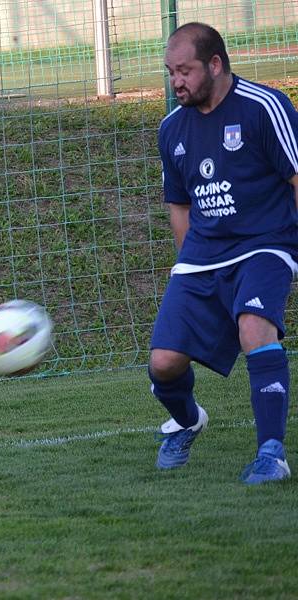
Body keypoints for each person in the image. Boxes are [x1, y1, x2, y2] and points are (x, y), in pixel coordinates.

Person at [150, 22, 298, 484]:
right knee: (163, 363)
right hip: (202, 254)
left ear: (215, 64)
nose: (177, 82)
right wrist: (187, 269)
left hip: (265, 244)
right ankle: (189, 419)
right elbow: (179, 205)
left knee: (256, 328)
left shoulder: (264, 107)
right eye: (172, 72)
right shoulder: (171, 129)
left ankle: (271, 454)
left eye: (186, 71)